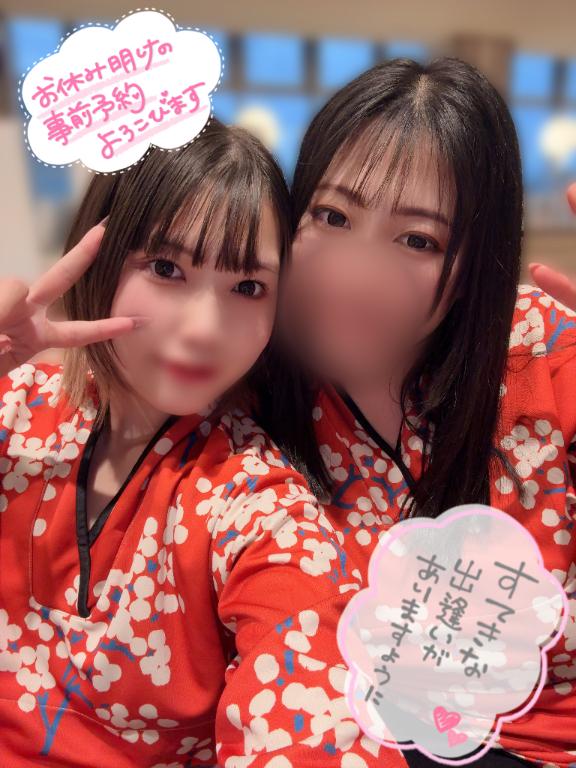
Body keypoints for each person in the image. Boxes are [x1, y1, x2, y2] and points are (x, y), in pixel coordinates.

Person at [0, 118, 410, 767]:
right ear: (98, 256)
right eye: (167, 268)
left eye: (247, 287)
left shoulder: (257, 502)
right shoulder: (16, 407)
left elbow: (309, 705)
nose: (203, 329)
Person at [275, 57, 576, 767]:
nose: (355, 275)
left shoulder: (546, 354)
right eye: (332, 216)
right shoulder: (246, 384)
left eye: (418, 239)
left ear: (475, 266)